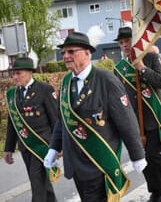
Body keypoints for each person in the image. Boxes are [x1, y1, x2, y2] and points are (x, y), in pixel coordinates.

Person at [44, 31, 146, 202]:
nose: (66, 56)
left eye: (71, 51)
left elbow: (126, 120)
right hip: (75, 164)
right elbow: (63, 120)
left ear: (87, 52)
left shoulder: (105, 80)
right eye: (63, 52)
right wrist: (53, 148)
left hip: (98, 162)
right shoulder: (66, 82)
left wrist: (137, 155)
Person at [113, 27, 161, 202]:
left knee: (152, 156)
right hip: (132, 121)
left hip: (152, 118)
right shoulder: (119, 68)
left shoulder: (151, 57)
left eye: (128, 41)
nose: (125, 45)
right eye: (122, 43)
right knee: (142, 158)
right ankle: (154, 190)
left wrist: (142, 68)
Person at [4, 57, 58, 202]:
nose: (15, 77)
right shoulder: (13, 94)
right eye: (13, 74)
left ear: (30, 73)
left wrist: (58, 146)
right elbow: (12, 123)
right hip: (25, 146)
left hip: (42, 145)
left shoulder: (45, 89)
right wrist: (8, 149)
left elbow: (56, 120)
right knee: (42, 182)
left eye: (18, 73)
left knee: (37, 182)